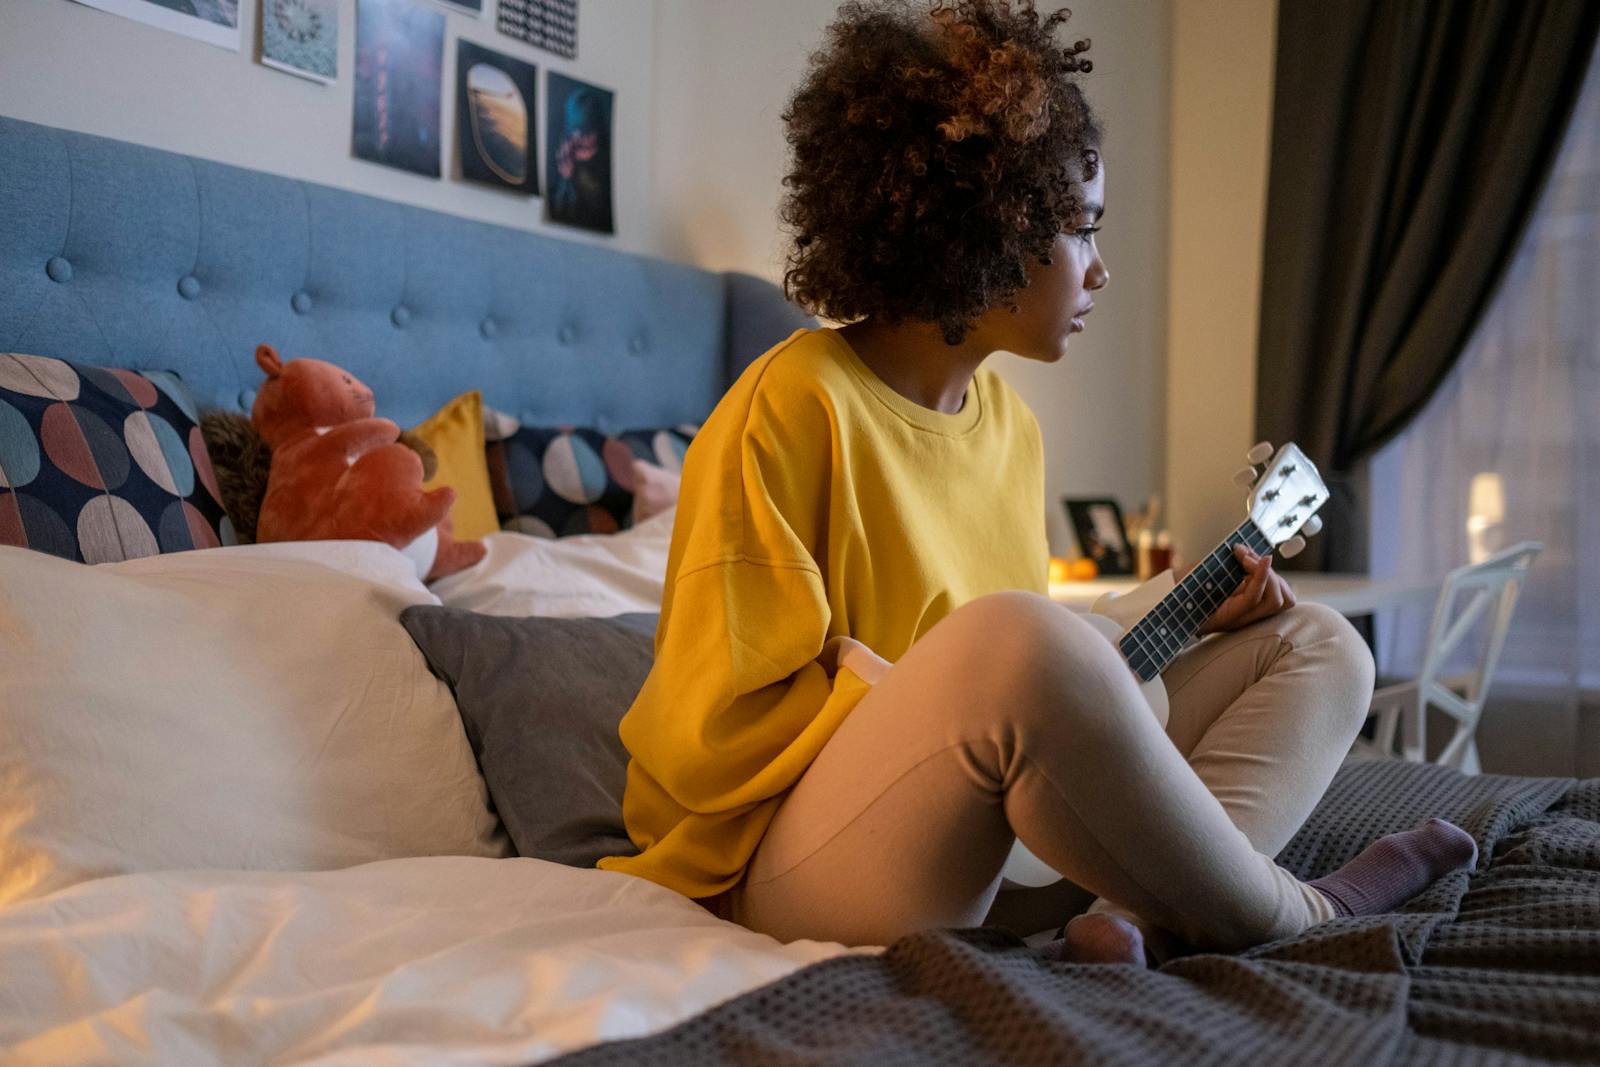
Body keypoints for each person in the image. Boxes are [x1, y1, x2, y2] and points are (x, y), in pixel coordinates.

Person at [596, 0, 1476, 963]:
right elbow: (713, 732)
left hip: (983, 822)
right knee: (1019, 638)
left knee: (1319, 642)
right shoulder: (792, 405)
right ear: (984, 225)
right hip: (777, 865)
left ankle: (1133, 916)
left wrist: (1160, 619)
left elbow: (1025, 670)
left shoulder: (1011, 428)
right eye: (1082, 232)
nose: (1099, 271)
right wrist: (925, 693)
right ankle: (1297, 911)